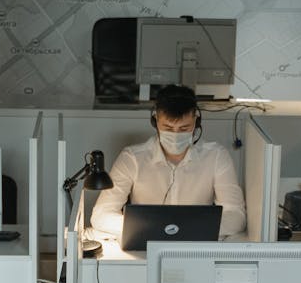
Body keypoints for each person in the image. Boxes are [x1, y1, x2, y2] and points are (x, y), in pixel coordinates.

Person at [90, 84, 247, 240]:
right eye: (168, 128)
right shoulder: (132, 158)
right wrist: (149, 229)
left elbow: (236, 216)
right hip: (145, 250)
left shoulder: (216, 156)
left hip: (195, 248)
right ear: (155, 120)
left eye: (184, 128)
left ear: (196, 120)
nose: (176, 134)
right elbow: (101, 215)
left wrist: (184, 229)